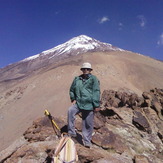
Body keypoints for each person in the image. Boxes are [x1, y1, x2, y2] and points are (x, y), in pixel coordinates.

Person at [67, 62, 101, 148]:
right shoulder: (77, 79)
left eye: (88, 69)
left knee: (87, 124)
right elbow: (71, 89)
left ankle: (87, 141)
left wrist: (96, 105)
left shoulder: (94, 79)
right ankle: (71, 132)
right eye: (84, 69)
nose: (86, 70)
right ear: (82, 70)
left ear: (90, 70)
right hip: (79, 103)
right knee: (70, 111)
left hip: (89, 105)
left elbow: (96, 91)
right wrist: (73, 98)